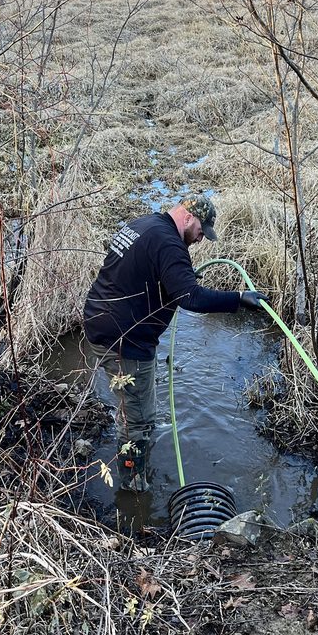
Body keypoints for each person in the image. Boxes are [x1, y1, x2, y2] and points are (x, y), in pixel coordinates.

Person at [83, 194, 269, 492]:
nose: (199, 240)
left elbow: (140, 269)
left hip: (102, 322)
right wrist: (239, 299)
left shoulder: (145, 225)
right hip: (123, 340)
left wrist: (177, 276)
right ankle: (133, 489)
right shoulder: (169, 243)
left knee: (134, 405)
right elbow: (191, 298)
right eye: (200, 231)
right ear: (188, 217)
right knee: (138, 420)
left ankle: (134, 467)